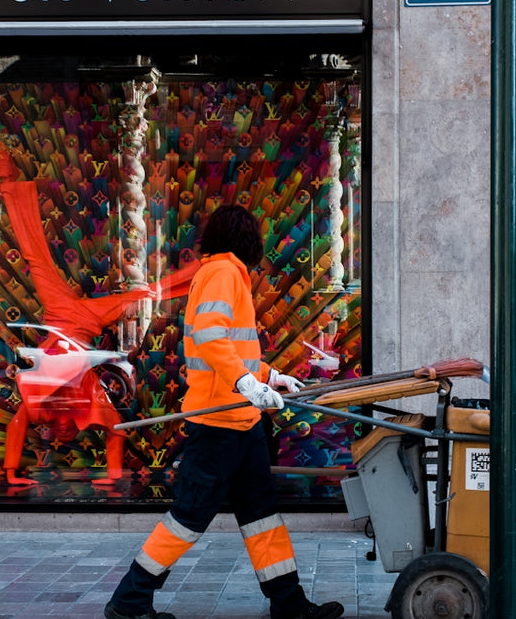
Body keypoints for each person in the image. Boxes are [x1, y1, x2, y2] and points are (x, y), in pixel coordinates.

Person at [104, 204, 345, 619]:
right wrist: (246, 384)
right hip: (219, 423)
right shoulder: (222, 274)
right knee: (188, 518)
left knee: (262, 516)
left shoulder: (223, 273)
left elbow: (235, 351)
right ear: (245, 238)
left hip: (240, 420)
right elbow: (212, 340)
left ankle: (288, 604)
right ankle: (129, 601)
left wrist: (271, 376)